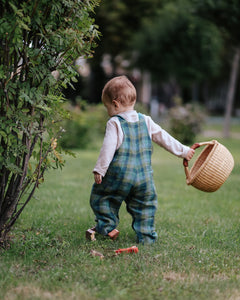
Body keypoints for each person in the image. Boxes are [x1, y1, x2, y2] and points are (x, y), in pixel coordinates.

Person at [87, 75, 194, 244]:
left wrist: (100, 169)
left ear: (115, 104)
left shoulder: (115, 122)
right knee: (145, 206)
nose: (108, 111)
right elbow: (164, 138)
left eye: (107, 107)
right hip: (144, 178)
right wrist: (184, 151)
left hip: (120, 176)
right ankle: (147, 237)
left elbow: (108, 147)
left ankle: (107, 228)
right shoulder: (146, 120)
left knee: (103, 197)